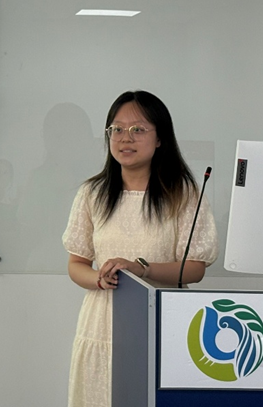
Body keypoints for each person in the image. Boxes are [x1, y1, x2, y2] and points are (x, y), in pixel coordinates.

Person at [62, 90, 218, 407]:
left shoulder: (183, 193)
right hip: (103, 322)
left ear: (160, 138)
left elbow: (195, 269)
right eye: (117, 129)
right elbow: (76, 264)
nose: (125, 138)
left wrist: (141, 269)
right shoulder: (92, 193)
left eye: (138, 129)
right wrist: (98, 278)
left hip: (162, 320)